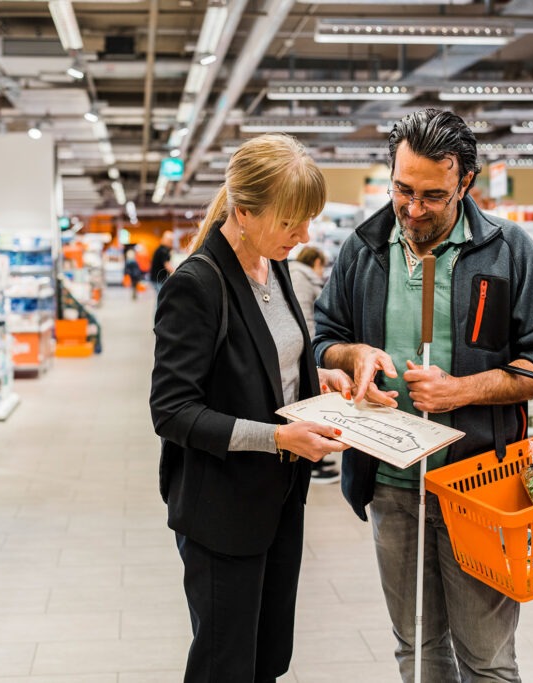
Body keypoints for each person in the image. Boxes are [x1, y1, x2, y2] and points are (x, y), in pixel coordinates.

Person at [313, 108, 533, 682]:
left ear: (465, 183)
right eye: (402, 189)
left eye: (432, 195)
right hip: (391, 483)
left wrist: (462, 390)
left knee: (485, 659)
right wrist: (352, 355)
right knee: (416, 649)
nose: (412, 209)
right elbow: (324, 337)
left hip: (479, 489)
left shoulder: (507, 252)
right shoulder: (364, 249)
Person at [150, 133, 360, 683]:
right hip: (221, 510)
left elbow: (277, 362)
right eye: (292, 223)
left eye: (307, 221)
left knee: (269, 656)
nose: (304, 236)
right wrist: (277, 438)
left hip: (278, 501)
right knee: (226, 663)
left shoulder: (276, 265)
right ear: (243, 212)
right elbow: (172, 411)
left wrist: (324, 378)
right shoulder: (197, 285)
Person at [289, 246, 339, 484]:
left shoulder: (301, 276)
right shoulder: (300, 277)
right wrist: (312, 351)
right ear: (316, 261)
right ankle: (312, 464)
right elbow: (304, 317)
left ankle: (317, 458)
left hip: (308, 349)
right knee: (308, 407)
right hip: (306, 350)